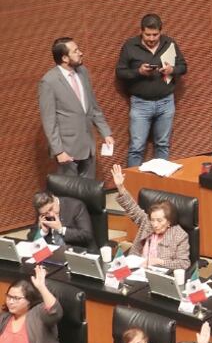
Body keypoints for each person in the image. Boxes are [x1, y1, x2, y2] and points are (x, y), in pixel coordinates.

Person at [114, 14, 187, 168]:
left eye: (155, 35)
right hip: (140, 104)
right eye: (148, 34)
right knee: (136, 148)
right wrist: (138, 72)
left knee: (163, 145)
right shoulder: (130, 46)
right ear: (141, 31)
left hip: (166, 102)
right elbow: (120, 72)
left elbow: (183, 67)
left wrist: (171, 69)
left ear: (161, 32)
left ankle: (161, 187)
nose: (152, 38)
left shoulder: (169, 43)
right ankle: (133, 187)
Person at [38, 37, 113, 178]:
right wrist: (59, 151)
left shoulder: (82, 72)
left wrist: (105, 132)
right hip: (67, 149)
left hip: (88, 145)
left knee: (89, 190)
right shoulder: (49, 81)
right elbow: (49, 121)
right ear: (65, 58)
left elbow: (92, 106)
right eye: (76, 51)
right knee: (71, 194)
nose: (81, 53)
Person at [110, 164, 190, 271]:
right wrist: (120, 187)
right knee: (112, 278)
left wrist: (159, 261)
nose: (155, 224)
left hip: (158, 276)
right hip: (135, 269)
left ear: (169, 222)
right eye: (152, 220)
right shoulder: (147, 223)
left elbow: (184, 264)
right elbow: (132, 208)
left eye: (159, 220)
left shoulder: (179, 235)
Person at [0, 266, 69, 343]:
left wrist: (42, 287)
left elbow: (55, 311)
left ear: (29, 300)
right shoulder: (4, 318)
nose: (11, 302)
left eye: (16, 298)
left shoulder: (38, 314)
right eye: (9, 297)